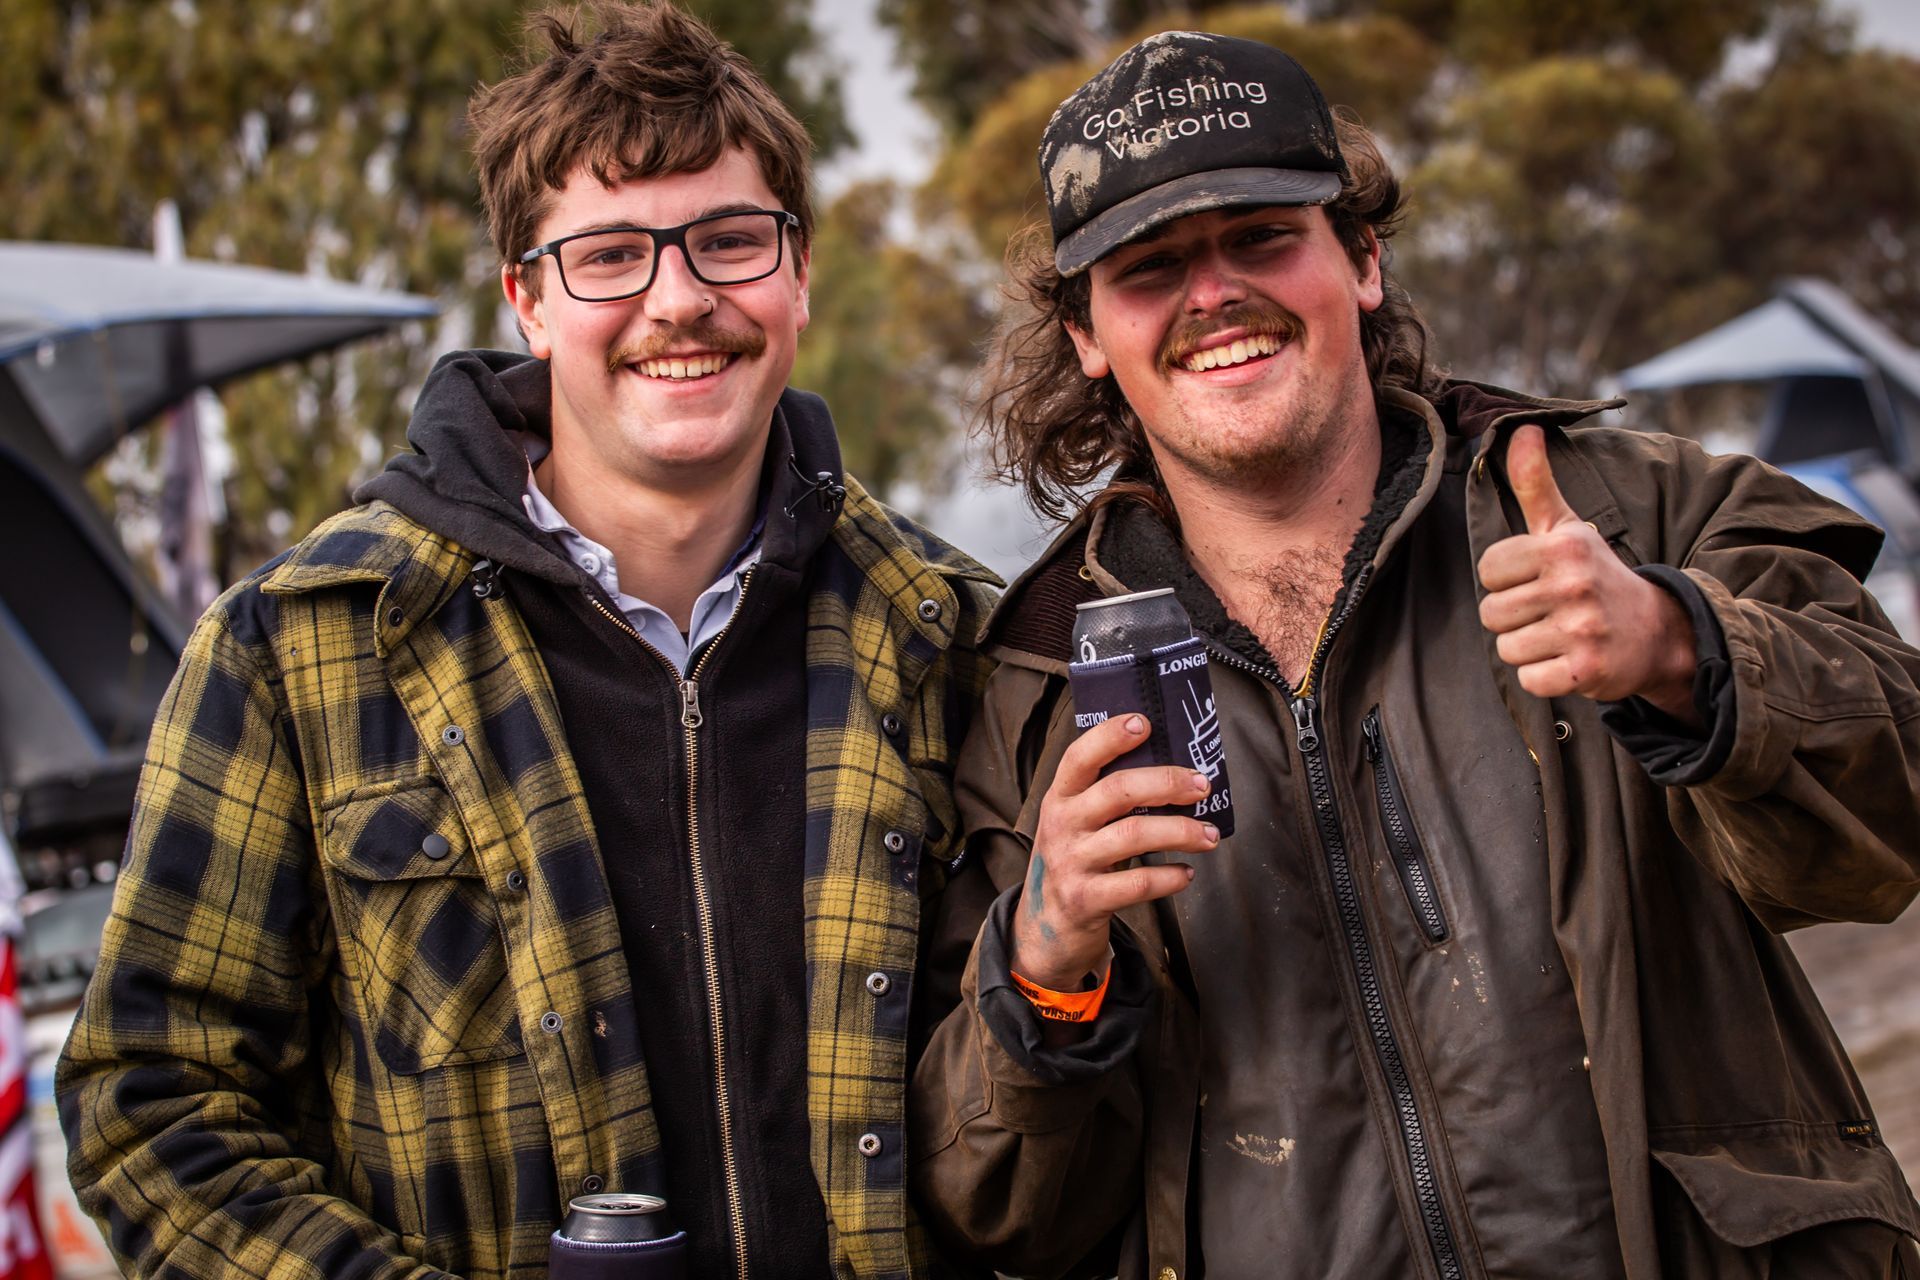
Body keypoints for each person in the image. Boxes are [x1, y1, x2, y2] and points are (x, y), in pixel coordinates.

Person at [909, 29, 1920, 1280]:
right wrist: (1048, 961)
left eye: (1263, 236)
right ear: (1086, 336)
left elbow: (1897, 806)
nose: (1215, 293)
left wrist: (1686, 648)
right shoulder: (1036, 686)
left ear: (1364, 258)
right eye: (1151, 266)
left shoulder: (1635, 515)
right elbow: (993, 1205)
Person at [56, 5, 998, 1277]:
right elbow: (151, 1103)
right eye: (610, 254)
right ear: (527, 298)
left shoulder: (951, 635)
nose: (680, 299)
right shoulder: (296, 649)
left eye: (729, 241)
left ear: (799, 274)